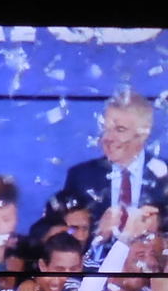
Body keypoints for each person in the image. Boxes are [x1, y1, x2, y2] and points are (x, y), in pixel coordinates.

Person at [60, 89, 168, 226]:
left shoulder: (165, 175)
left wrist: (157, 229)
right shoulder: (80, 177)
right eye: (105, 129)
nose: (108, 138)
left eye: (120, 129)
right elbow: (67, 233)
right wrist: (99, 231)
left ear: (143, 133)